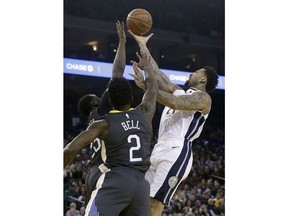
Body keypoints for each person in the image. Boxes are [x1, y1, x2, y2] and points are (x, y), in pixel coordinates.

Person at [129, 30, 219, 216]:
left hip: (177, 150)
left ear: (203, 79)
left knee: (154, 204)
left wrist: (147, 86)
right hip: (160, 146)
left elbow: (175, 103)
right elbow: (160, 77)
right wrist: (143, 46)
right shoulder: (180, 91)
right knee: (140, 201)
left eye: (196, 71)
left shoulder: (203, 98)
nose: (191, 73)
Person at [64, 51, 158, 216]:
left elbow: (71, 149)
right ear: (131, 96)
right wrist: (147, 66)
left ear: (109, 100)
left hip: (115, 179)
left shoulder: (103, 123)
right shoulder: (145, 112)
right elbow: (152, 88)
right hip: (142, 186)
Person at [71, 20, 127, 207]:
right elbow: (117, 73)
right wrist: (121, 42)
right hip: (105, 171)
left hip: (91, 175)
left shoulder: (91, 123)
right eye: (97, 96)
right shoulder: (100, 110)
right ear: (95, 102)